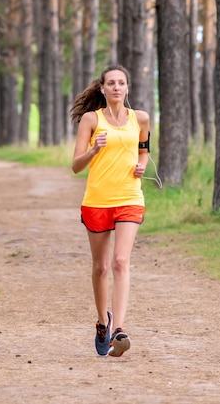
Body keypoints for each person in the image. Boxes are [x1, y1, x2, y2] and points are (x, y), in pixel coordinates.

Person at [70, 65, 150, 357]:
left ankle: (119, 329)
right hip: (97, 200)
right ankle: (103, 322)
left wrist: (142, 164)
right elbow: (76, 165)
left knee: (120, 261)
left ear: (127, 88)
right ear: (102, 88)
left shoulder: (140, 118)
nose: (117, 87)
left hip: (130, 196)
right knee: (101, 267)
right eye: (111, 83)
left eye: (121, 83)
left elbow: (143, 148)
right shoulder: (92, 120)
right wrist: (93, 150)